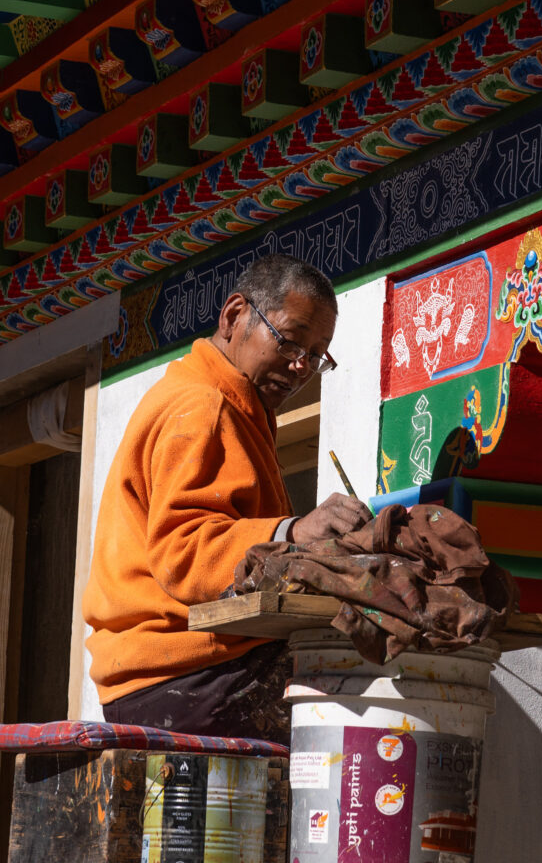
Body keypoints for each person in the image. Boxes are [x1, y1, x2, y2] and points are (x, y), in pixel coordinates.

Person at [83, 254, 371, 741]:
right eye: (289, 341)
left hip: (173, 675)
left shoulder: (234, 406)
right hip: (182, 671)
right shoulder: (205, 404)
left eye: (317, 355)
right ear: (235, 316)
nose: (301, 365)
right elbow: (186, 551)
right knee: (362, 670)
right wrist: (294, 532)